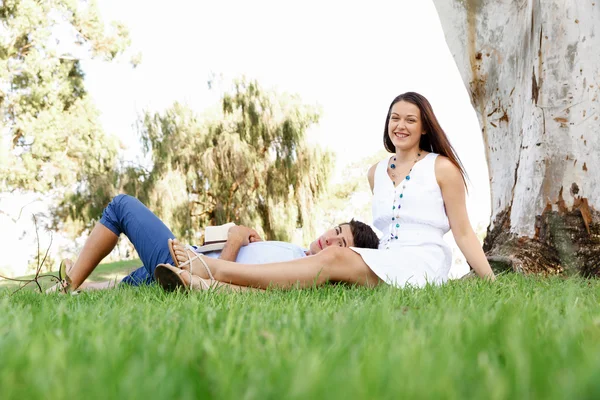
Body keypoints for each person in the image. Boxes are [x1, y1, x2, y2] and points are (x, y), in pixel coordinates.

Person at [156, 92, 496, 292]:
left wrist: (491, 283)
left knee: (332, 258)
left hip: (422, 260)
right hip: (387, 256)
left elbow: (464, 233)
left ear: (424, 127)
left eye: (410, 120)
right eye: (395, 118)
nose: (401, 126)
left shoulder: (442, 168)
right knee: (319, 268)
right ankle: (214, 288)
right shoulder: (376, 172)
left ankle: (214, 270)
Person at [46, 194, 379, 293]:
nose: (329, 238)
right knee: (127, 285)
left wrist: (234, 241)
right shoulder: (295, 250)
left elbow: (232, 275)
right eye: (336, 229)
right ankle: (74, 287)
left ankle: (67, 286)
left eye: (340, 243)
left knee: (121, 206)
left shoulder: (307, 270)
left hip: (188, 265)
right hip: (183, 260)